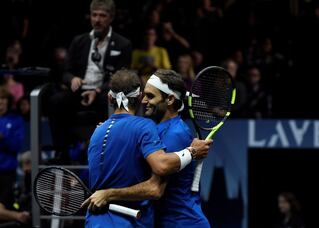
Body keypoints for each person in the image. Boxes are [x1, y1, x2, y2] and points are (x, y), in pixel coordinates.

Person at [81, 69, 212, 227]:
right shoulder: (154, 129)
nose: (144, 101)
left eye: (150, 96)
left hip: (183, 222)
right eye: (144, 95)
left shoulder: (174, 133)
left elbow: (155, 188)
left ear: (170, 99)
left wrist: (109, 194)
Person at [47, 0, 132, 163]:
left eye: (102, 15)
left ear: (111, 18)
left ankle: (107, 155)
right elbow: (66, 71)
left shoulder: (123, 44)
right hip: (79, 91)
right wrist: (72, 79)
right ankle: (61, 153)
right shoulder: (79, 41)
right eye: (94, 15)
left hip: (105, 94)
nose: (97, 19)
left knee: (109, 100)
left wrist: (98, 90)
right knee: (56, 101)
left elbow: (122, 76)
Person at [0, 86, 29, 226]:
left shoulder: (16, 121)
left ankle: (17, 216)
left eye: (2, 99)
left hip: (6, 174)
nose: (0, 103)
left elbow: (17, 146)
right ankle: (18, 216)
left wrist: (3, 137)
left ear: (8, 102)